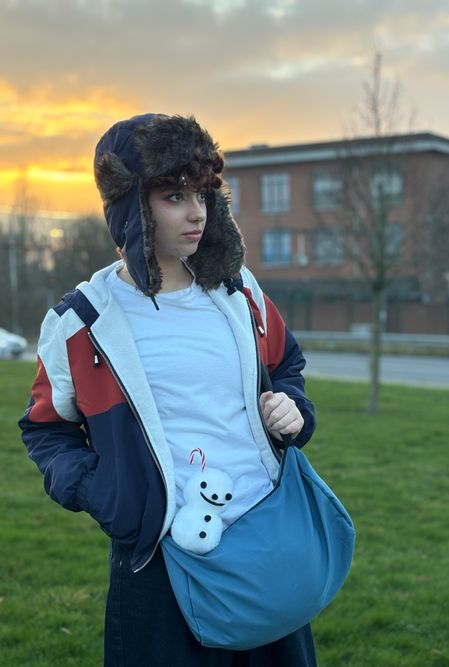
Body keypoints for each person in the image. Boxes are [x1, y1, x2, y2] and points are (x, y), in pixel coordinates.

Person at [19, 113, 317, 666]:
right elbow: (46, 429)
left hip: (264, 535)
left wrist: (291, 409)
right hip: (158, 558)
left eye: (202, 194)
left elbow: (286, 366)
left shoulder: (239, 292)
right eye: (174, 196)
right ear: (130, 205)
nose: (196, 212)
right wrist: (103, 493)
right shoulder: (82, 321)